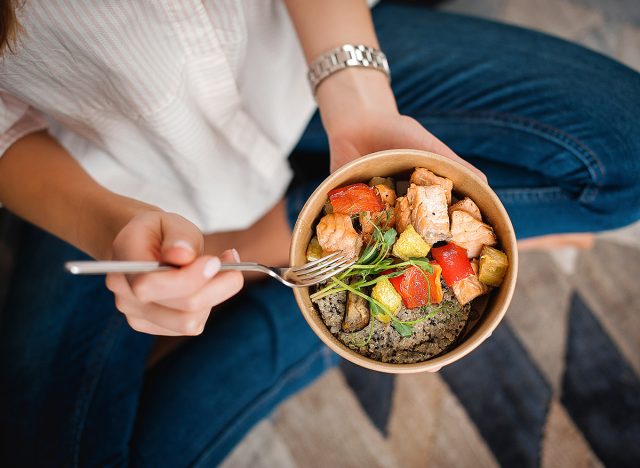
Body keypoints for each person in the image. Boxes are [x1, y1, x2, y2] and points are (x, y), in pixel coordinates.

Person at [0, 0, 638, 466]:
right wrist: (111, 228)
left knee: (627, 151)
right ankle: (310, 292)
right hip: (113, 173)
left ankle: (282, 254)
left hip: (308, 63)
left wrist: (361, 104)